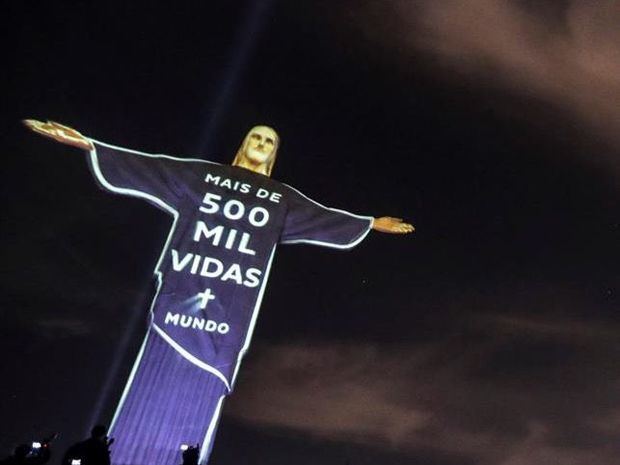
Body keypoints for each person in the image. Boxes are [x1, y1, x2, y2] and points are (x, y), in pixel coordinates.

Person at [24, 120, 414, 465]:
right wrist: (91, 146)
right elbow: (152, 167)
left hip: (230, 313)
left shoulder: (280, 198)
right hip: (180, 299)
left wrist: (369, 223)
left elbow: (322, 215)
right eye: (256, 136)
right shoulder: (202, 177)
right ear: (244, 143)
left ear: (274, 153)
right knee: (150, 380)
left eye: (269, 140)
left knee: (203, 395)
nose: (261, 142)